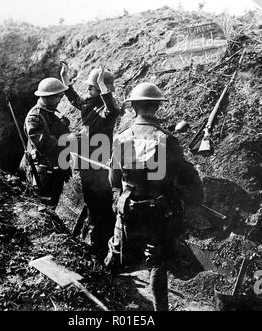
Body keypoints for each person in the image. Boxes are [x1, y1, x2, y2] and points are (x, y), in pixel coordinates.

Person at [105, 82, 204, 311]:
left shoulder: (121, 138)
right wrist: (194, 198)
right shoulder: (166, 139)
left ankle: (103, 293)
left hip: (128, 207)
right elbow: (186, 175)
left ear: (134, 107)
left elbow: (114, 178)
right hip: (158, 211)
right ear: (157, 107)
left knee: (118, 249)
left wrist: (118, 199)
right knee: (157, 259)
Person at [60, 63, 119, 258]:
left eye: (92, 87)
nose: (88, 89)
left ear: (103, 89)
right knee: (92, 201)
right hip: (86, 161)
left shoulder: (108, 110)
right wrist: (66, 81)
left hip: (100, 161)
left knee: (102, 202)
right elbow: (75, 99)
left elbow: (111, 110)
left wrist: (103, 89)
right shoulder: (88, 102)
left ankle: (104, 243)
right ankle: (97, 241)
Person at [20, 77, 72, 210]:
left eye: (60, 96)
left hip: (56, 168)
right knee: (43, 207)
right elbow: (43, 143)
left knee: (52, 205)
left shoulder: (51, 113)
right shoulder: (35, 117)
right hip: (43, 171)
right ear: (47, 97)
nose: (60, 100)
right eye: (57, 97)